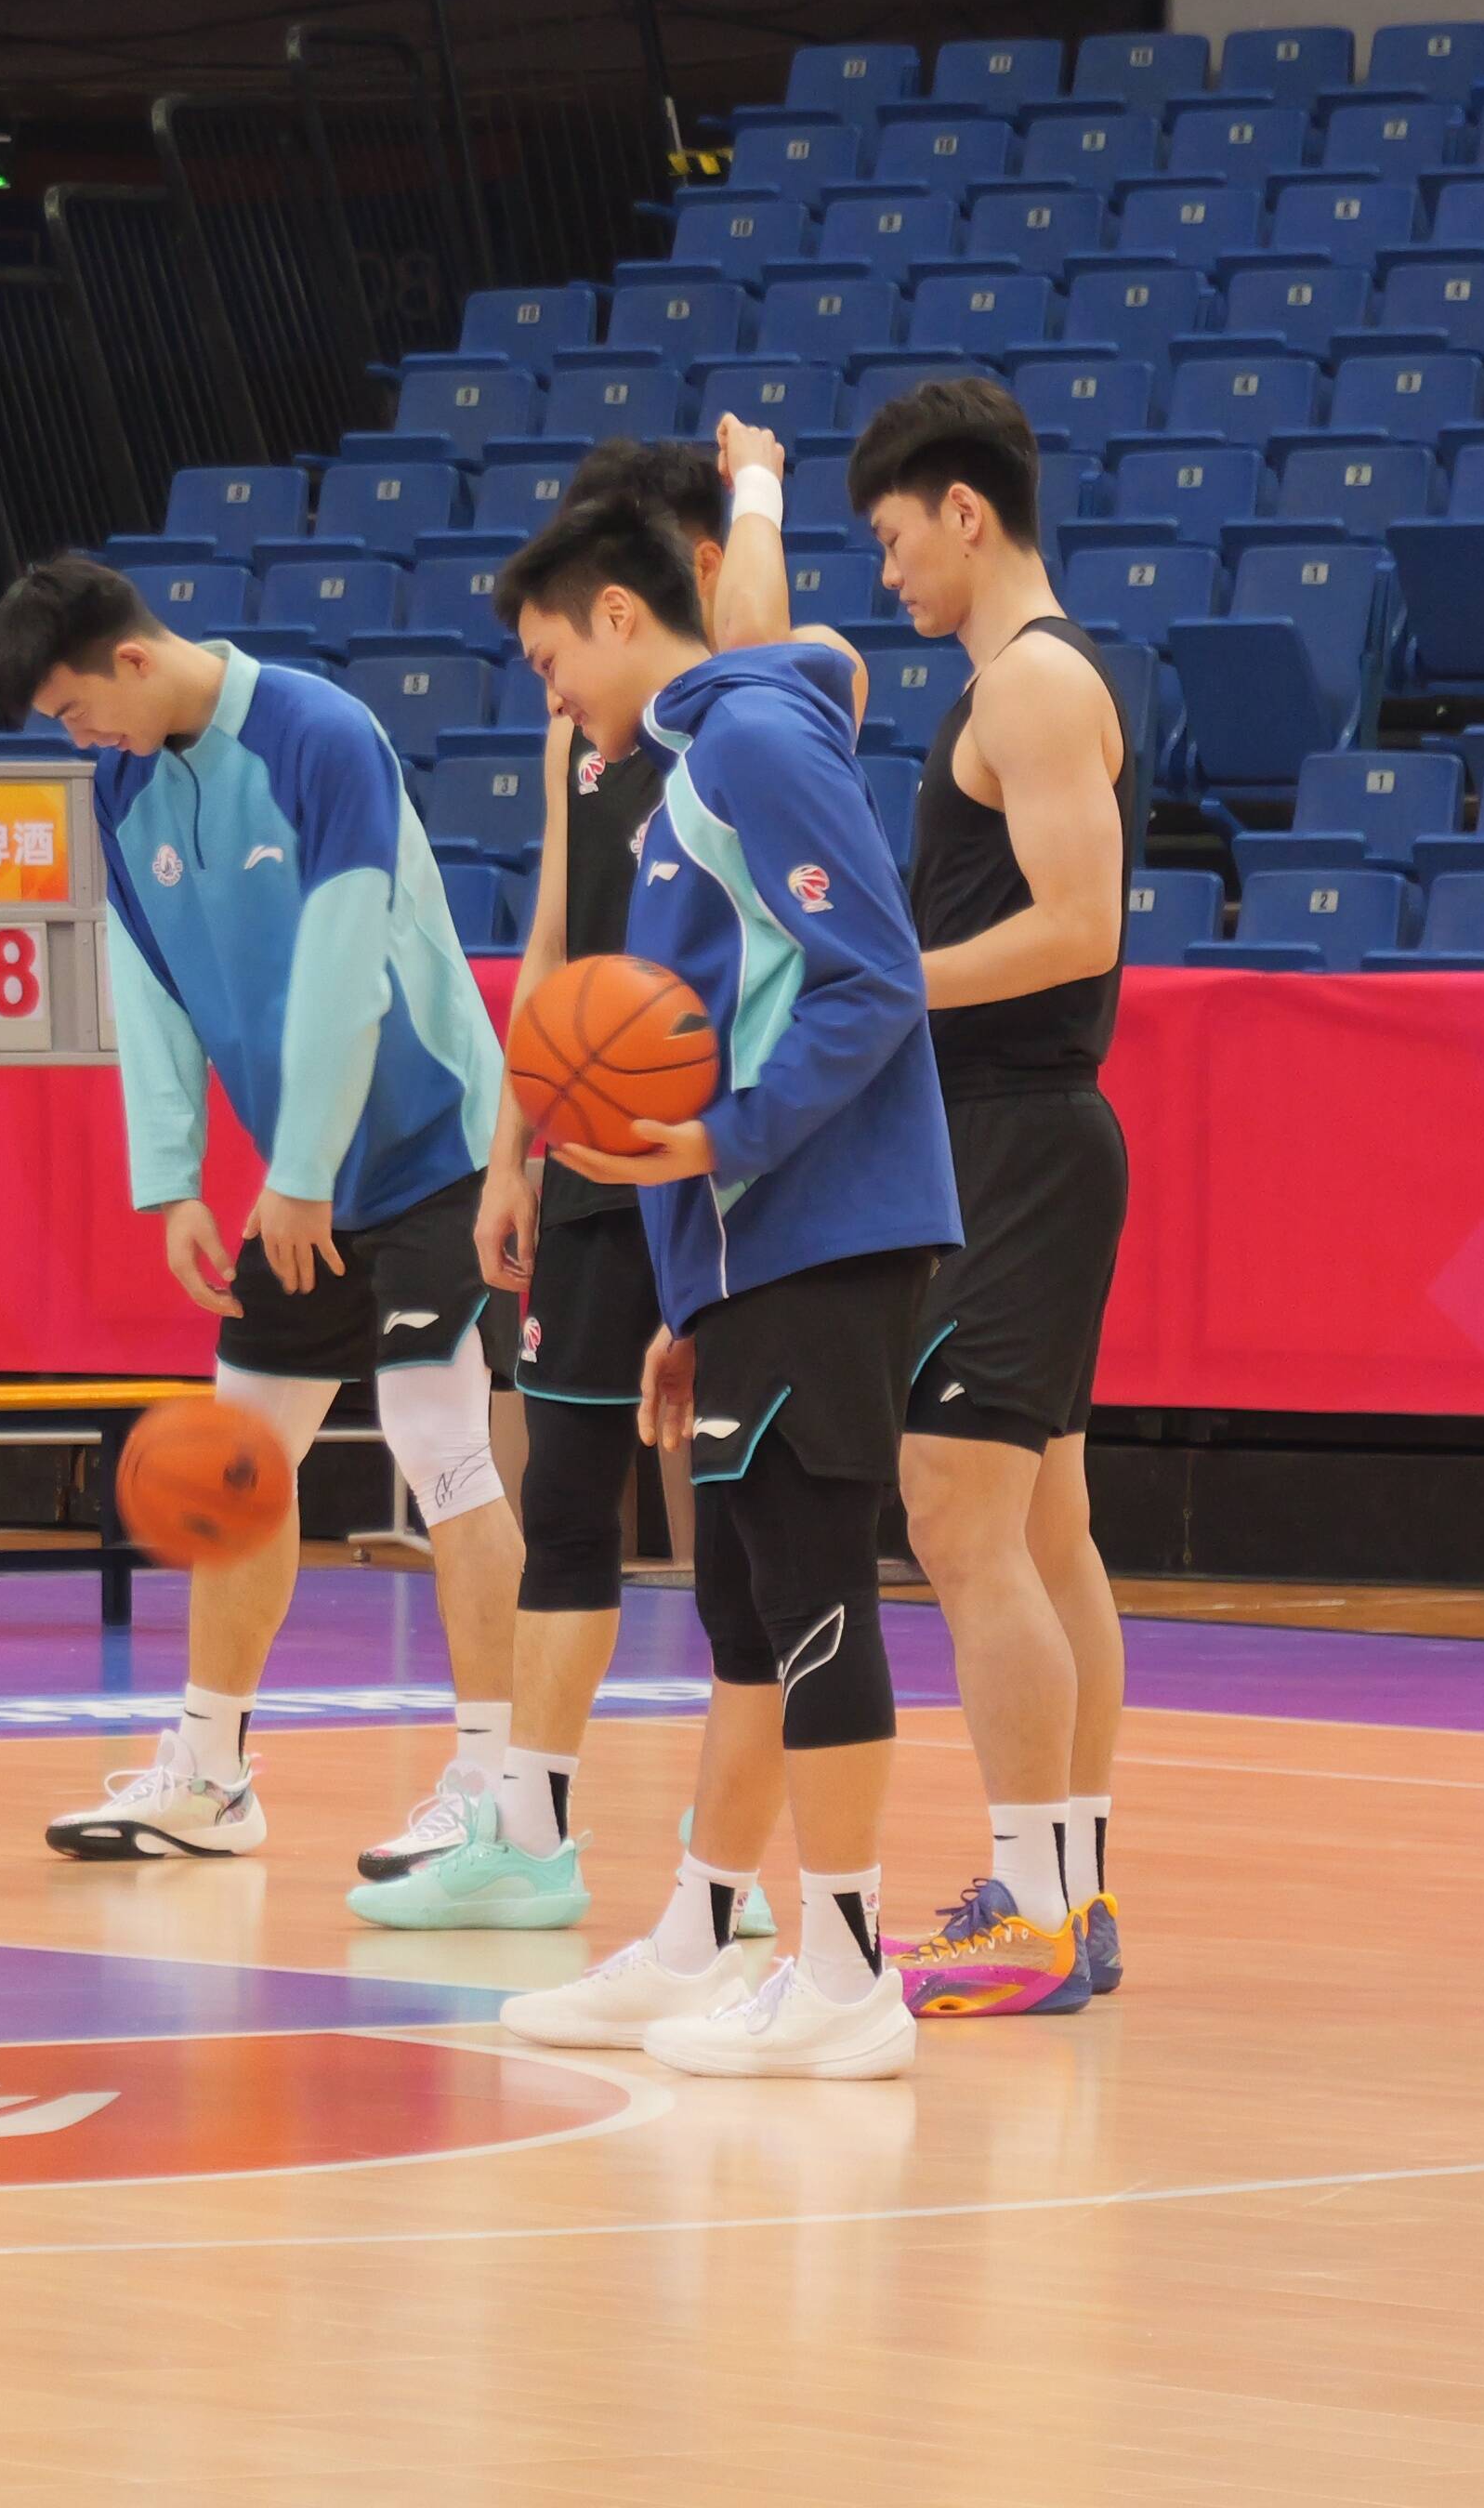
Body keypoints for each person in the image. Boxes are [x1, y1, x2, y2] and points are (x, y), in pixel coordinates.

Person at [489, 481, 960, 2081]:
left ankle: (846, 1972)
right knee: (746, 1605)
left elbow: (872, 980)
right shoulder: (699, 761)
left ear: (622, 615)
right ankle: (703, 1935)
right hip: (757, 1252)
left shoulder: (751, 743)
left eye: (554, 659)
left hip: (825, 1225)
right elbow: (723, 1027)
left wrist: (725, 1141)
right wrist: (692, 1303)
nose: (553, 698)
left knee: (811, 1588)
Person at [0, 557, 521, 1867]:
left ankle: (497, 1789)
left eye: (75, 711)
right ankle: (211, 1776)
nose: (79, 739)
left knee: (441, 1444)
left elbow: (348, 960)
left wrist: (300, 1170)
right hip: (299, 1181)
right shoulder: (121, 788)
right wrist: (173, 1175)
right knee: (241, 1464)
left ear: (130, 659)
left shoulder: (318, 734)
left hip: (434, 1153)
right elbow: (148, 978)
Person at [363, 434, 813, 1933]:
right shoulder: (581, 742)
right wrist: (511, 1153)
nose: (553, 676)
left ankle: (726, 1859)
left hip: (714, 1159)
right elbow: (552, 941)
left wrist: (758, 492)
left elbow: (756, 628)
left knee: (731, 1527)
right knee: (563, 1495)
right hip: (591, 1161)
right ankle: (529, 1835)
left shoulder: (745, 708)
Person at [852, 379, 1137, 2017]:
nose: (889, 572)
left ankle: (1027, 1905)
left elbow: (1079, 924)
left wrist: (887, 979)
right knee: (1041, 1528)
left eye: (897, 538)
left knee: (958, 1513)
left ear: (966, 511)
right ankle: (1070, 1891)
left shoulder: (1030, 681)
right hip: (1017, 1134)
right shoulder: (1023, 680)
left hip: (1014, 1136)